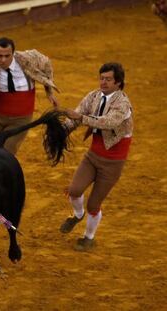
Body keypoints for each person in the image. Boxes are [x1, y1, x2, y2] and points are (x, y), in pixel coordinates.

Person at [59, 63, 133, 251]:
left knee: (94, 203)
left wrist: (81, 118)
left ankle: (88, 238)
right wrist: (62, 130)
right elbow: (78, 114)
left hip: (113, 164)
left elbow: (108, 123)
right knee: (75, 190)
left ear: (118, 82)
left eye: (108, 79)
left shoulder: (123, 103)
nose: (103, 82)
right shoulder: (93, 96)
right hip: (93, 156)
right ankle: (77, 215)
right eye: (102, 78)